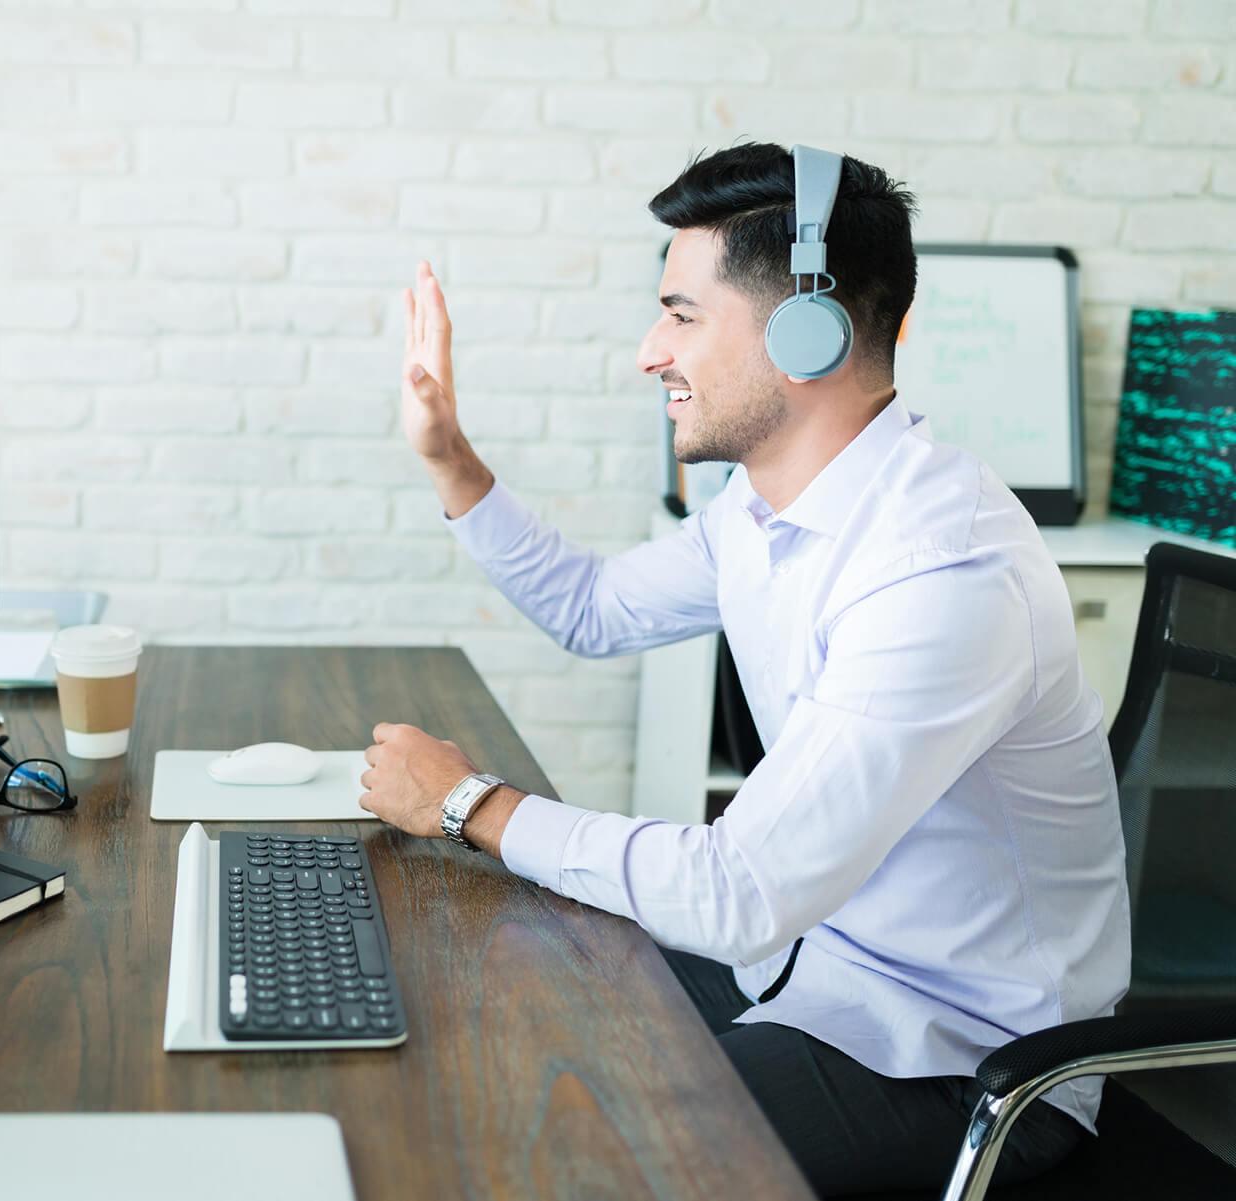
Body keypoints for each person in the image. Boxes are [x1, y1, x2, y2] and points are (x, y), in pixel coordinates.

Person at [358, 143, 1130, 1198]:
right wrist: (451, 457)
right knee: (491, 1005)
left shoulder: (943, 568)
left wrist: (467, 803)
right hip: (806, 975)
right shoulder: (764, 512)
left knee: (561, 1144)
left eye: (681, 314)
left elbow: (741, 891)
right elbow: (594, 611)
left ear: (804, 328)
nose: (648, 352)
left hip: (956, 1063)